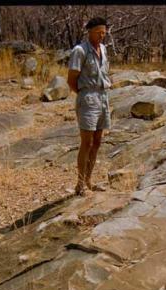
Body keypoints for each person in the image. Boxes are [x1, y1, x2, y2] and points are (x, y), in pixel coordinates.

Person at [67, 17, 112, 196]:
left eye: (104, 32)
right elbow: (71, 80)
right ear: (89, 31)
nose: (101, 35)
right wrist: (84, 96)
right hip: (88, 97)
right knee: (86, 142)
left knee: (97, 142)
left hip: (103, 96)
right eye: (98, 32)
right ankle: (80, 184)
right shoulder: (80, 50)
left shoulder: (103, 49)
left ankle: (89, 180)